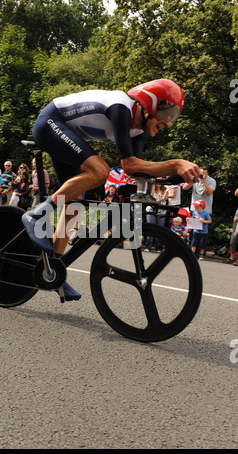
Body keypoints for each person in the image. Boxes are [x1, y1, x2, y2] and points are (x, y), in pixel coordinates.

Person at [22, 79, 201, 301]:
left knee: (75, 204)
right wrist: (175, 164)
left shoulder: (139, 133)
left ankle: (54, 271)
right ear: (152, 104)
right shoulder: (122, 108)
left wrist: (174, 176)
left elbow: (137, 171)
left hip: (66, 132)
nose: (169, 123)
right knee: (99, 171)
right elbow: (129, 165)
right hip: (51, 122)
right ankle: (37, 213)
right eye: (169, 113)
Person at [144, 184, 167, 252]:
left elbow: (164, 199)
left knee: (159, 230)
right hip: (151, 210)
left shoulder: (165, 190)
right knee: (150, 229)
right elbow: (149, 198)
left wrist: (166, 191)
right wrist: (153, 187)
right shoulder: (151, 190)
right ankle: (148, 246)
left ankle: (159, 247)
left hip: (161, 212)